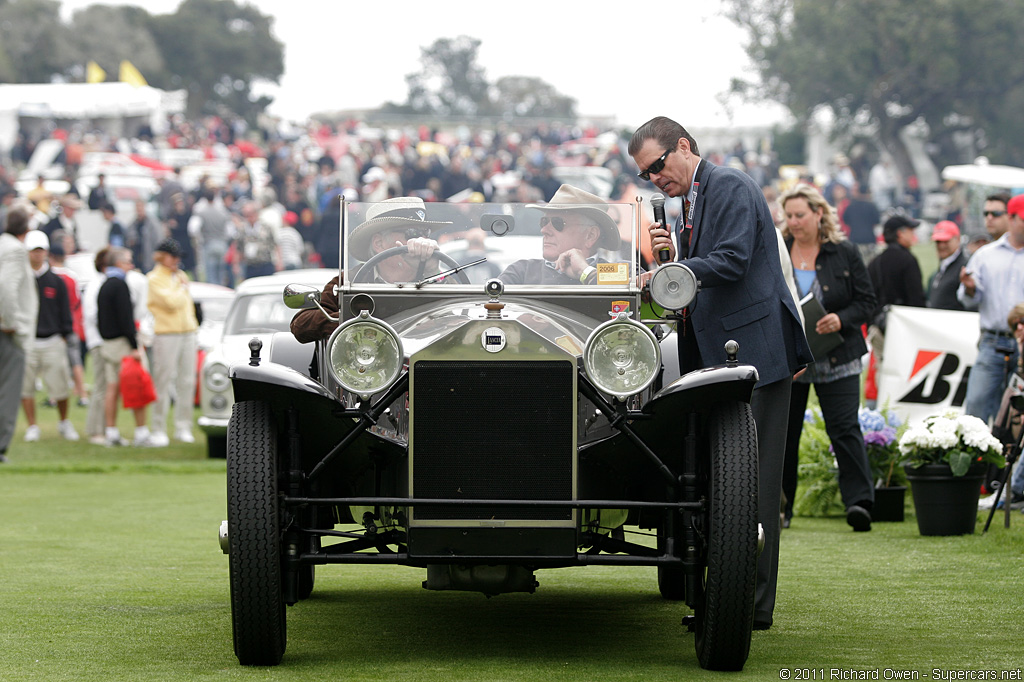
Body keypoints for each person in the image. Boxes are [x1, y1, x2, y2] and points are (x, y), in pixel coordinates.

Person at [629, 116, 812, 632]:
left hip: (755, 357)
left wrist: (669, 273)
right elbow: (713, 269)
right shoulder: (695, 196)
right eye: (646, 176)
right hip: (725, 358)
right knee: (724, 485)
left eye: (657, 167)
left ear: (683, 147)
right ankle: (726, 599)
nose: (654, 180)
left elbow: (731, 262)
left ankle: (750, 608)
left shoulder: (728, 183)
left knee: (749, 488)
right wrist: (672, 258)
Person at [778, 184, 877, 532]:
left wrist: (841, 318)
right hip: (792, 360)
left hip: (840, 356)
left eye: (800, 215)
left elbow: (868, 302)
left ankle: (859, 503)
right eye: (788, 215)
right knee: (784, 435)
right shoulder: (778, 251)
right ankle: (779, 508)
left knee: (845, 429)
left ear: (819, 213)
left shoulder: (844, 252)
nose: (794, 222)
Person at [291, 197, 446, 344]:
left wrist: (432, 270)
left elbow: (458, 317)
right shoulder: (351, 280)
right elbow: (301, 324)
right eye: (412, 233)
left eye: (425, 233)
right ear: (379, 243)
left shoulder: (437, 276)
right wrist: (363, 322)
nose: (422, 241)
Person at [958, 193, 1024, 428]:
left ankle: (1009, 461)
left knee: (1014, 416)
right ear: (1012, 218)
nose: (989, 218)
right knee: (975, 405)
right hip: (992, 341)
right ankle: (975, 459)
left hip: (1022, 344)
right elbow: (967, 300)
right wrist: (969, 288)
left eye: (994, 213)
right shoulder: (985, 255)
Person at [20, 230, 78, 442]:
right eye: (33, 251)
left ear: (45, 252)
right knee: (26, 387)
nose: (37, 255)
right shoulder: (22, 279)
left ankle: (64, 422)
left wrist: (64, 335)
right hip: (28, 341)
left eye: (40, 251)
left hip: (53, 340)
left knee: (60, 386)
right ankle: (32, 426)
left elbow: (65, 310)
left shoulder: (56, 280)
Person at [498, 184, 621, 285]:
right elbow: (490, 306)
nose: (544, 230)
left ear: (591, 235)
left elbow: (635, 303)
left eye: (558, 223)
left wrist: (585, 271)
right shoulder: (521, 272)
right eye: (544, 221)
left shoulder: (621, 271)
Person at [97, 247, 154, 447]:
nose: (131, 265)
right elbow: (125, 319)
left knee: (112, 388)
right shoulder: (120, 285)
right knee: (136, 385)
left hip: (108, 344)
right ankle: (141, 433)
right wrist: (134, 346)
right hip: (123, 344)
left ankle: (111, 432)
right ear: (119, 263)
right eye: (128, 261)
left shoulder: (104, 285)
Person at [146, 238, 199, 446]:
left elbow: (186, 304)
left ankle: (183, 426)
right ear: (162, 257)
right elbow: (170, 303)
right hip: (167, 333)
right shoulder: (154, 278)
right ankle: (158, 428)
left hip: (188, 332)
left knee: (187, 381)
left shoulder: (179, 276)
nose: (176, 261)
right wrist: (181, 287)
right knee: (163, 380)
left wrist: (181, 285)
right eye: (173, 256)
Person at [0, 206, 40, 462]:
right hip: (7, 331)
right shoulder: (14, 249)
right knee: (8, 390)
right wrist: (12, 322)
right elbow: (5, 287)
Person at [866, 214, 926, 365]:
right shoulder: (908, 260)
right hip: (904, 329)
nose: (914, 235)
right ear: (900, 233)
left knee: (884, 372)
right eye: (910, 231)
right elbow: (916, 298)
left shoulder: (875, 261)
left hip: (878, 327)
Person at [82, 249, 110, 444]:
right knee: (101, 386)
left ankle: (104, 429)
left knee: (107, 386)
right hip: (100, 341)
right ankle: (96, 431)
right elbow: (92, 315)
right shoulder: (96, 285)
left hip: (105, 341)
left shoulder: (102, 283)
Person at [926, 220, 968, 311]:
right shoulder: (939, 271)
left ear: (957, 239)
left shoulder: (965, 267)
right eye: (938, 242)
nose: (941, 246)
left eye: (946, 241)